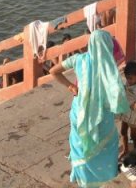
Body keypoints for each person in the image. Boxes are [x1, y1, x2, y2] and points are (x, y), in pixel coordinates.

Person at [50, 30, 130, 187]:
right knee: (108, 143)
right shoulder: (110, 66)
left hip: (80, 112)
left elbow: (53, 71)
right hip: (102, 115)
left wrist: (71, 86)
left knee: (80, 145)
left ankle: (84, 180)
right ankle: (105, 176)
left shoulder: (78, 59)